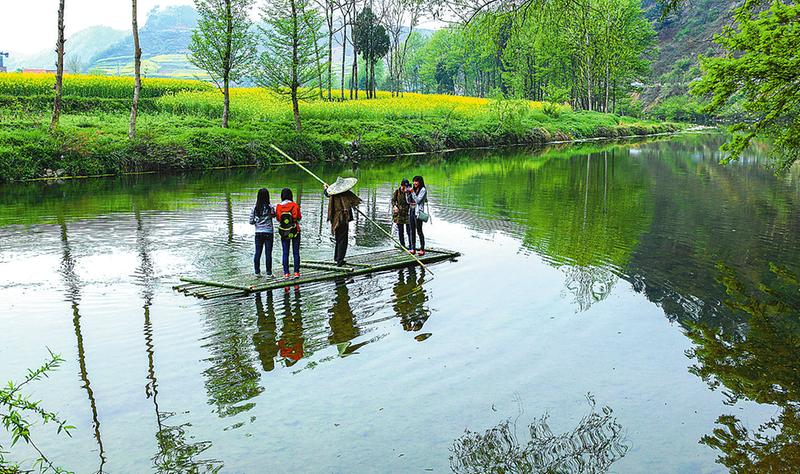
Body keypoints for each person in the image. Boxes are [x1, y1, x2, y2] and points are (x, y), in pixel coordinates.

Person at [325, 177, 361, 266]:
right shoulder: (346, 194)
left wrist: (326, 188)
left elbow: (326, 193)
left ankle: (337, 258)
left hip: (335, 219)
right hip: (342, 219)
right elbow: (354, 201)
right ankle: (340, 260)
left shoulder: (333, 194)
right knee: (343, 239)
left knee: (338, 238)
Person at [275, 188, 302, 278]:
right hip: (295, 230)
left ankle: (286, 273)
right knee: (296, 252)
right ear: (291, 195)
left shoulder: (279, 206)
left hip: (284, 231)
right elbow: (298, 217)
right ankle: (296, 272)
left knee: (285, 252)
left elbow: (279, 219)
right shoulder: (294, 205)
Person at [249, 188, 275, 276]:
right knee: (268, 253)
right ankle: (269, 273)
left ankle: (257, 272)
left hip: (258, 233)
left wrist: (257, 219)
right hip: (269, 232)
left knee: (258, 252)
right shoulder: (270, 207)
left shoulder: (255, 208)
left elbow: (251, 222)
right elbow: (274, 216)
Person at [408, 175, 428, 256]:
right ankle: (413, 248)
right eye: (414, 181)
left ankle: (422, 249)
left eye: (416, 181)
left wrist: (412, 192)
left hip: (418, 212)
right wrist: (408, 193)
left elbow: (418, 201)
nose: (415, 183)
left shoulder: (423, 190)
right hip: (411, 211)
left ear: (420, 182)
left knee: (419, 231)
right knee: (412, 230)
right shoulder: (414, 189)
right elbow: (408, 201)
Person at [392, 179, 412, 249]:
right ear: (401, 185)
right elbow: (393, 200)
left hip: (408, 214)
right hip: (399, 214)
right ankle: (402, 246)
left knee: (409, 231)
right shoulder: (397, 192)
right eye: (403, 187)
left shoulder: (409, 192)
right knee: (401, 231)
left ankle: (411, 246)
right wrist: (394, 206)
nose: (405, 188)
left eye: (406, 187)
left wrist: (410, 192)